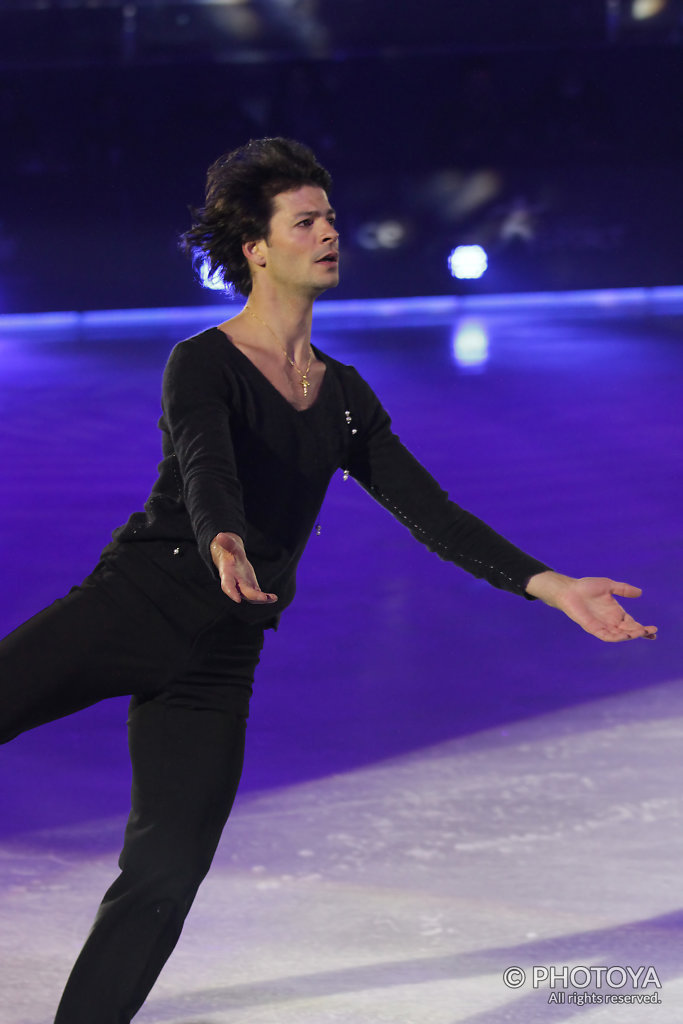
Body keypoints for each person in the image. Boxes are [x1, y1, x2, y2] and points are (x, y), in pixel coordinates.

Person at [0, 138, 657, 1024]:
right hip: (136, 604)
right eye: (304, 221)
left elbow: (434, 513)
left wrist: (551, 584)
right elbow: (203, 462)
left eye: (331, 219)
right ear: (256, 248)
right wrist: (223, 536)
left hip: (220, 661)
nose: (329, 233)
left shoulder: (343, 395)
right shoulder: (203, 361)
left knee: (165, 874)